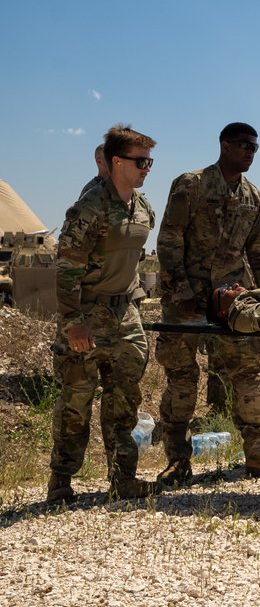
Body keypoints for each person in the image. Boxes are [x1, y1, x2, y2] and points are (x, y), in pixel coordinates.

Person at [155, 122, 260, 485]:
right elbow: (169, 241)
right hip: (186, 299)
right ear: (224, 145)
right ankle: (177, 460)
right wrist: (182, 292)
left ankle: (259, 456)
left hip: (233, 300)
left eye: (255, 147)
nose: (249, 152)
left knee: (248, 374)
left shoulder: (253, 197)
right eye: (243, 145)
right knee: (182, 378)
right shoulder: (192, 184)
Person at [48, 124, 158, 504]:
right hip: (88, 313)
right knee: (77, 399)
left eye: (149, 161)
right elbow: (66, 269)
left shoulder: (143, 207)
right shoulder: (89, 207)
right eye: (140, 161)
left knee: (124, 396)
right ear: (116, 161)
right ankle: (61, 480)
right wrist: (73, 322)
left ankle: (123, 478)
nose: (147, 168)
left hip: (125, 312)